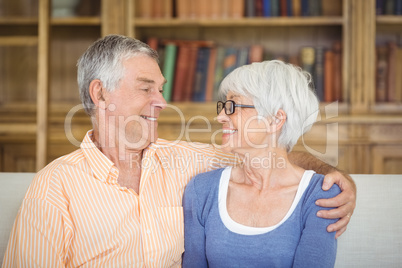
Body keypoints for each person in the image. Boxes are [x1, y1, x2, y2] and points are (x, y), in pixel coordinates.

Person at [3, 35, 355, 267]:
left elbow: (267, 155)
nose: (162, 102)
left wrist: (334, 176)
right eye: (146, 89)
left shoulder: (186, 162)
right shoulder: (54, 188)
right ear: (100, 94)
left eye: (161, 89)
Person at [183, 60, 343, 267]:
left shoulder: (320, 194)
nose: (220, 116)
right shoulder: (201, 190)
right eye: (223, 106)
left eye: (233, 106)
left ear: (275, 120)